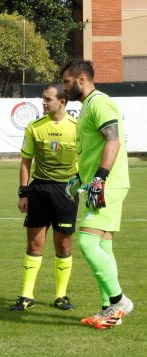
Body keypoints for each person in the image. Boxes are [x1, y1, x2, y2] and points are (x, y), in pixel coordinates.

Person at [61, 60, 133, 329]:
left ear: (81, 79)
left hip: (109, 184)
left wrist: (100, 179)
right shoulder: (88, 106)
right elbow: (93, 149)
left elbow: (112, 140)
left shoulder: (99, 103)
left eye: (67, 82)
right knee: (103, 245)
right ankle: (109, 310)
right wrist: (80, 177)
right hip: (100, 182)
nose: (64, 87)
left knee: (87, 243)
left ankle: (118, 301)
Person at [10, 83, 78, 312]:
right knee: (34, 243)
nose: (43, 102)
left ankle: (61, 296)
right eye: (43, 98)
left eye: (48, 99)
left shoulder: (77, 128)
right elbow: (25, 161)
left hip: (66, 191)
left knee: (64, 243)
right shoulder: (34, 127)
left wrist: (78, 187)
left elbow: (87, 160)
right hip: (39, 190)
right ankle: (27, 295)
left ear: (62, 102)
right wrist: (23, 192)